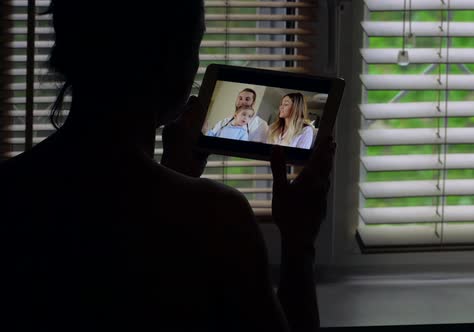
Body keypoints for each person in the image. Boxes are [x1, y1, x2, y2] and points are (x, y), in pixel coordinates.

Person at [0, 1, 336, 331]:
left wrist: (175, 171)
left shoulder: (9, 193)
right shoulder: (218, 218)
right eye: (195, 45)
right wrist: (298, 241)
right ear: (170, 63)